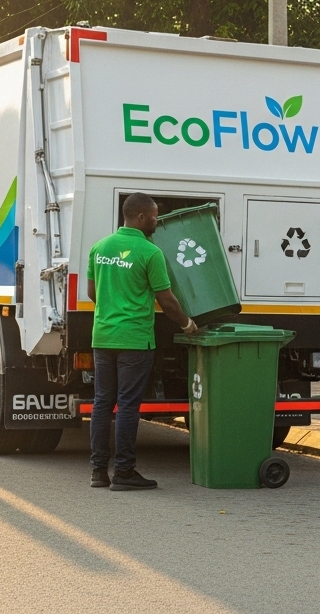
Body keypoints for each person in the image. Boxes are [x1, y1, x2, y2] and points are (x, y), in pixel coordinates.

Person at [87, 192, 198, 490]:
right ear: (139, 217)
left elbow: (92, 292)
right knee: (126, 406)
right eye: (153, 215)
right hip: (134, 340)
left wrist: (113, 306)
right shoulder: (150, 252)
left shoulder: (99, 248)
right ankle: (123, 473)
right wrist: (187, 323)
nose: (156, 220)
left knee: (101, 403)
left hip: (103, 337)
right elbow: (167, 300)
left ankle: (98, 472)